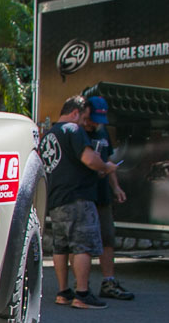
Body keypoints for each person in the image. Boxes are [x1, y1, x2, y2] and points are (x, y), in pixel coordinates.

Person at [39, 95, 119, 309]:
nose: (86, 122)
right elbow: (89, 159)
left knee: (61, 247)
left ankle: (63, 292)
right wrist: (106, 167)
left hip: (56, 199)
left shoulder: (49, 134)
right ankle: (82, 294)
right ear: (75, 113)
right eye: (84, 117)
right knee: (82, 247)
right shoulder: (74, 130)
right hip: (77, 198)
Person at [83, 96, 135, 300]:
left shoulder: (102, 132)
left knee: (108, 237)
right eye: (93, 118)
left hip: (103, 192)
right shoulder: (78, 133)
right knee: (81, 242)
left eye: (99, 120)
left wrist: (116, 187)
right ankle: (81, 286)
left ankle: (109, 281)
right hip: (84, 193)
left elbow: (109, 161)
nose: (95, 123)